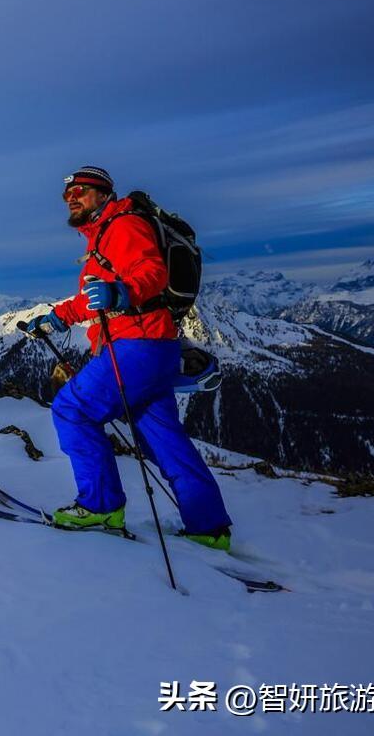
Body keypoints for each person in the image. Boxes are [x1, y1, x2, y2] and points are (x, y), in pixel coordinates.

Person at [25, 166, 233, 550]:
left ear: (104, 195)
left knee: (72, 408)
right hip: (156, 348)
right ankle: (209, 529)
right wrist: (57, 318)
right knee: (167, 442)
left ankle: (100, 505)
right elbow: (95, 297)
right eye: (67, 194)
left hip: (135, 346)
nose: (72, 198)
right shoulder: (103, 236)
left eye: (82, 191)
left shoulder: (122, 225)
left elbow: (151, 272)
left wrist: (122, 293)